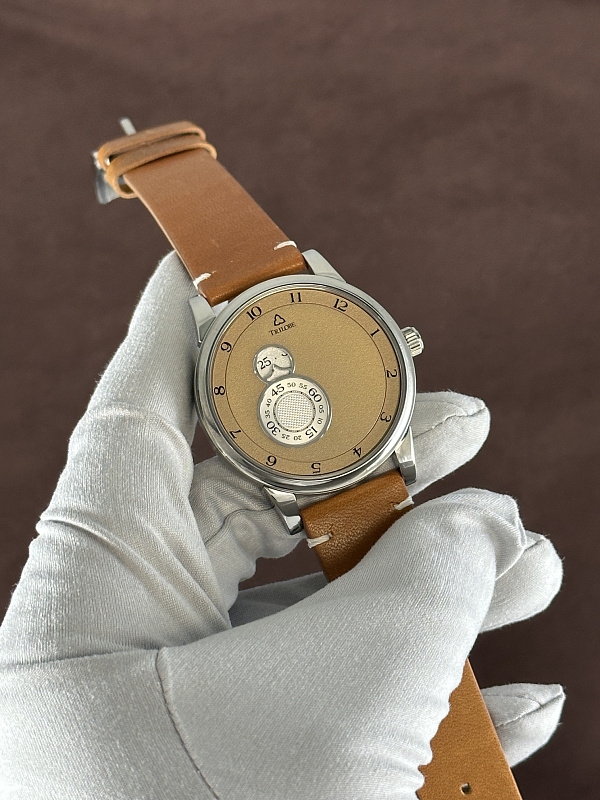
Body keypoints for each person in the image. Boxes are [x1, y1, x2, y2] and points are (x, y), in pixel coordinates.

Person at [0, 252, 564, 799]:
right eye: (265, 370)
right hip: (288, 472)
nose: (279, 377)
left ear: (401, 344)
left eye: (277, 367)